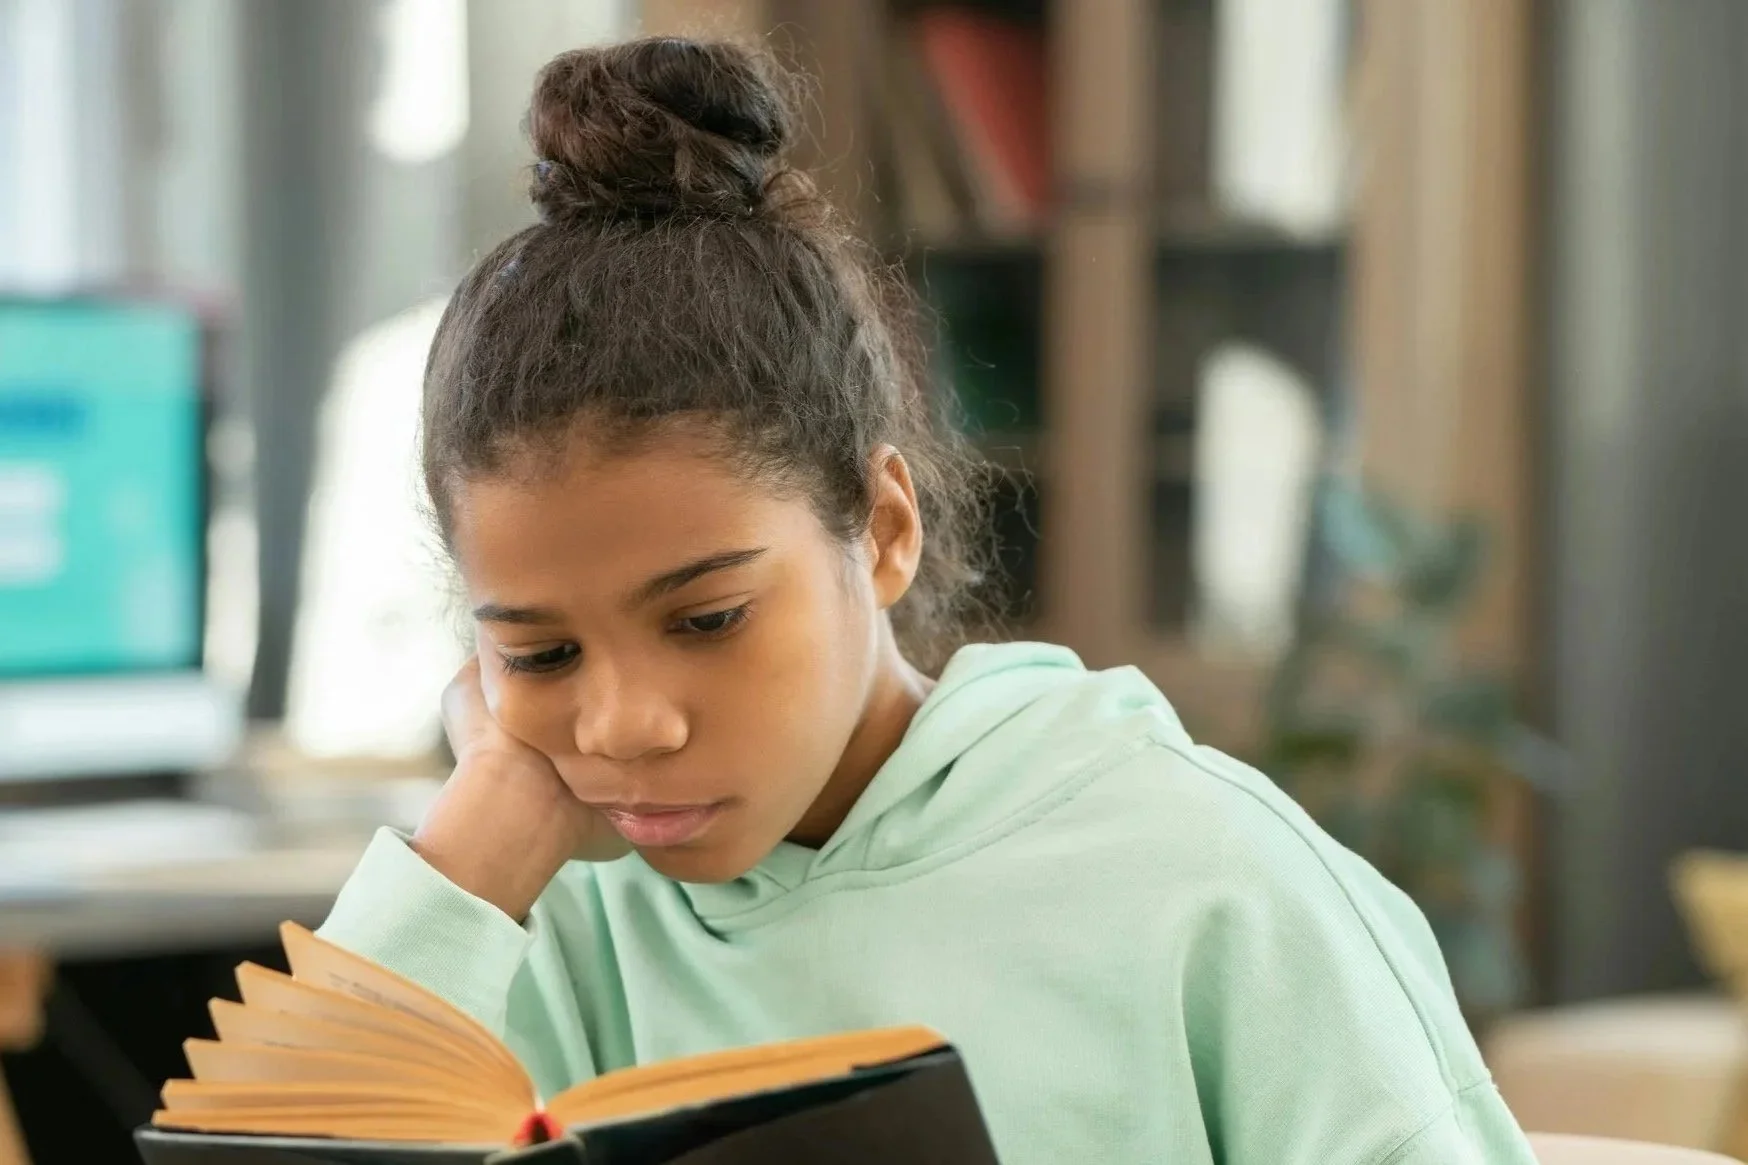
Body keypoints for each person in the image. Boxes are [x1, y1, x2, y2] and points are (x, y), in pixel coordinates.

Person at [318, 36, 1536, 1165]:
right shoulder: (542, 912)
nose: (623, 726)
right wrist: (464, 864)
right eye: (539, 653)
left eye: (706, 620)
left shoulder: (1207, 875)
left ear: (884, 529)